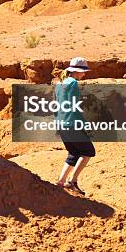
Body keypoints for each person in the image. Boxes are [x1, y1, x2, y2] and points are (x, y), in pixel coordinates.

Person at [54, 57, 96, 195]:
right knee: (88, 151)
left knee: (74, 153)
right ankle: (72, 181)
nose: (84, 74)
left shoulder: (59, 84)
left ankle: (61, 182)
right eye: (83, 71)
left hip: (61, 123)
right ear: (76, 71)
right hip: (71, 123)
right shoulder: (73, 84)